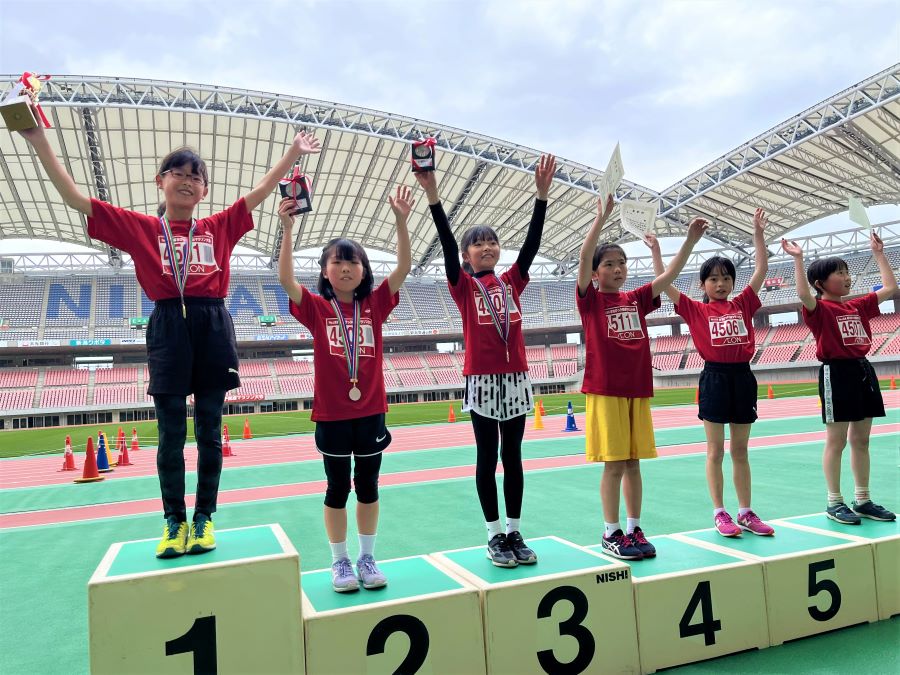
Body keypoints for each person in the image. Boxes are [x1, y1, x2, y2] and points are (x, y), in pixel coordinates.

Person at [12, 106, 321, 557]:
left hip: (213, 322)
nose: (187, 180)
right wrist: (38, 139)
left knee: (211, 431)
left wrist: (294, 152)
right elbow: (76, 198)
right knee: (171, 430)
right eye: (177, 172)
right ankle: (174, 520)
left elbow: (259, 192)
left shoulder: (218, 226)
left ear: (204, 190)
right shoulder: (142, 228)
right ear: (161, 182)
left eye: (196, 176)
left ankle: (204, 519)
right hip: (167, 325)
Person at [414, 154, 556, 567]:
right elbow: (443, 240)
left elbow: (531, 245)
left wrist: (541, 197)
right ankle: (493, 535)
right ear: (467, 254)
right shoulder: (463, 285)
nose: (487, 247)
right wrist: (433, 194)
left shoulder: (512, 280)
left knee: (513, 457)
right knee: (486, 456)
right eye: (478, 243)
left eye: (492, 241)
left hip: (516, 379)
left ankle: (514, 531)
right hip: (481, 379)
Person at [278, 186, 413, 591]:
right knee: (337, 487)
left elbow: (404, 268)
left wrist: (401, 223)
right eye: (337, 261)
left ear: (364, 270)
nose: (346, 268)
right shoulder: (318, 310)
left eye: (353, 261)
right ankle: (339, 562)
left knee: (369, 486)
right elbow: (285, 279)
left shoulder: (375, 305)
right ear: (324, 271)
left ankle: (367, 557)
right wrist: (287, 229)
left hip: (371, 410)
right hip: (333, 414)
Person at [577, 195, 708, 560]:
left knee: (634, 463)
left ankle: (634, 528)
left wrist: (689, 243)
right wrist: (600, 217)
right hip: (606, 391)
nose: (618, 270)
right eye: (609, 264)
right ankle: (610, 531)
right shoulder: (590, 301)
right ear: (595, 272)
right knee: (614, 463)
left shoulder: (634, 300)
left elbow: (667, 277)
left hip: (637, 391)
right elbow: (584, 257)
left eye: (622, 263)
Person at [649, 208, 774, 537]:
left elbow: (761, 269)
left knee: (741, 450)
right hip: (715, 378)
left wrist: (758, 234)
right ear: (703, 284)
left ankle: (745, 511)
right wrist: (657, 253)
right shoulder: (695, 308)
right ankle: (720, 512)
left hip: (743, 377)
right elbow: (666, 284)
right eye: (714, 279)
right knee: (716, 450)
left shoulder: (744, 303)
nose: (721, 284)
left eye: (726, 278)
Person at [782, 231, 896, 525]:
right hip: (836, 372)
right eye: (839, 273)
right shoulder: (819, 309)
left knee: (861, 440)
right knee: (837, 441)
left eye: (847, 273)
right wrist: (799, 260)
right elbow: (803, 295)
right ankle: (834, 501)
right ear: (821, 283)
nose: (847, 278)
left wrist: (879, 253)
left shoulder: (856, 306)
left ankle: (863, 499)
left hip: (862, 370)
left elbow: (890, 287)